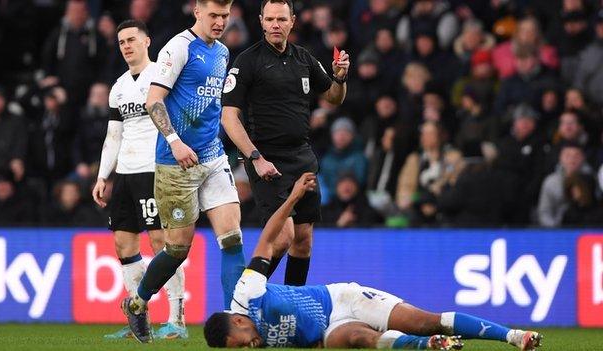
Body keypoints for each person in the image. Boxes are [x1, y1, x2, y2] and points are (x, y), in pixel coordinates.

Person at [202, 173, 543, 350]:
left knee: (425, 320)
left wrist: (292, 198)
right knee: (360, 340)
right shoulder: (252, 338)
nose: (249, 347)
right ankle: (433, 347)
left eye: (241, 344)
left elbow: (265, 239)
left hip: (340, 299)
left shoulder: (247, 293)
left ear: (240, 323)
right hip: (328, 330)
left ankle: (513, 336)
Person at [121, 0, 246, 343]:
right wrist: (175, 141)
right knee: (178, 249)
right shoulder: (177, 48)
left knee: (232, 237)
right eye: (214, 15)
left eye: (225, 15)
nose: (221, 21)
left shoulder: (222, 52)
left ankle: (233, 323)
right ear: (197, 12)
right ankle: (136, 302)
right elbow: (153, 100)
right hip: (175, 163)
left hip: (212, 157)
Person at [221, 0, 350, 286]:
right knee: (283, 235)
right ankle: (244, 297)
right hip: (266, 158)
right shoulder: (247, 61)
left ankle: (295, 307)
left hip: (302, 157)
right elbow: (229, 117)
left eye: (281, 19)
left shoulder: (303, 58)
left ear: (292, 21)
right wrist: (255, 158)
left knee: (303, 241)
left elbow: (333, 96)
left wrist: (340, 77)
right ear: (261, 22)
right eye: (269, 20)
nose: (275, 25)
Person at [90, 20, 187, 339]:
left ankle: (177, 319)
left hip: (154, 170)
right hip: (126, 175)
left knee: (162, 243)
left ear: (147, 41)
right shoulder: (118, 87)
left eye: (132, 39)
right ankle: (138, 318)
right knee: (123, 244)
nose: (127, 46)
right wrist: (104, 175)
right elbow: (113, 135)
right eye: (121, 42)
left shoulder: (162, 76)